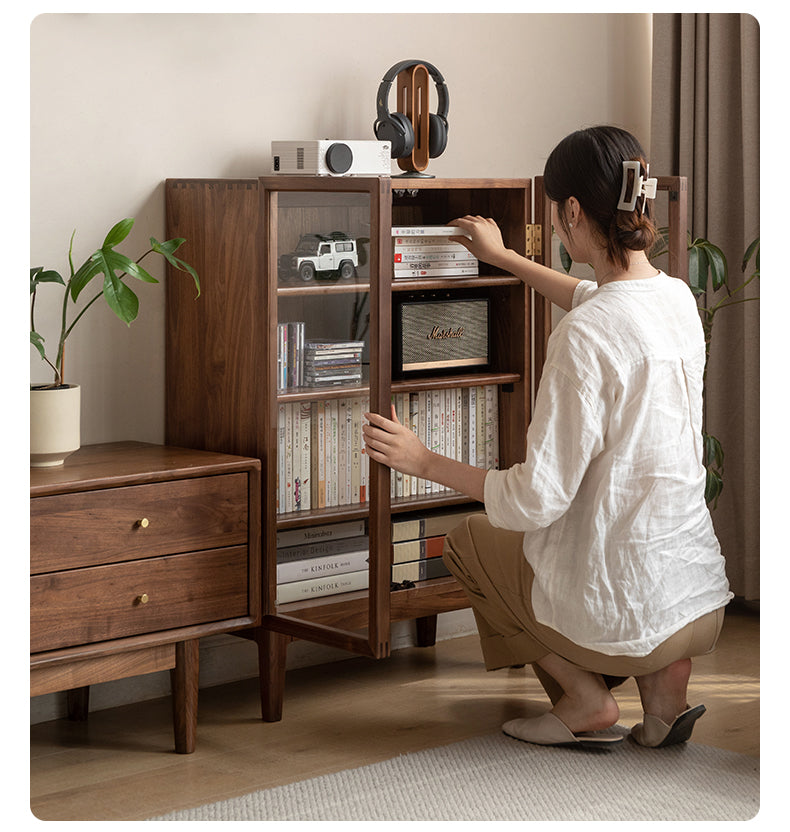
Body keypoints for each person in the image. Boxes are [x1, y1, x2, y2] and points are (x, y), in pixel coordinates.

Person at [363, 125, 733, 750]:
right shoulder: (675, 296)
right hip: (697, 603)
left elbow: (536, 499)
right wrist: (504, 258)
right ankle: (665, 697)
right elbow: (597, 296)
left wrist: (423, 459)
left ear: (568, 212)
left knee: (470, 540)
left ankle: (584, 697)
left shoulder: (583, 337)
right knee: (623, 546)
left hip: (624, 612)